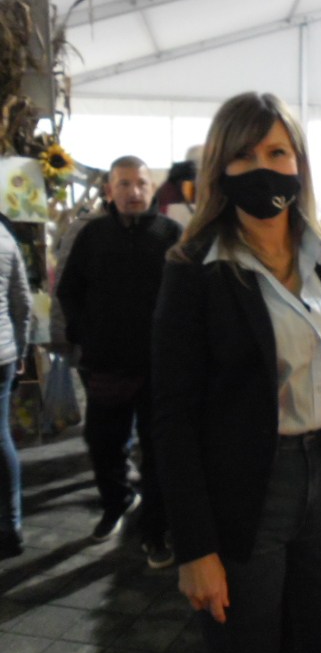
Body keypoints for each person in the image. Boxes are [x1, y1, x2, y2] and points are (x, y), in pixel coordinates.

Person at [151, 92, 321, 653]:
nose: (262, 168)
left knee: (314, 646)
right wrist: (194, 547)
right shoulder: (195, 269)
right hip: (244, 491)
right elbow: (171, 416)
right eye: (243, 156)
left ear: (299, 162)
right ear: (220, 168)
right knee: (247, 649)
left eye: (276, 152)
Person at [57, 156, 181, 568]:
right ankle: (117, 502)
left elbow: (189, 298)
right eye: (124, 184)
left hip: (159, 366)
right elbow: (69, 289)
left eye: (141, 183)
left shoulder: (171, 235)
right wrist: (85, 334)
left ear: (152, 188)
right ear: (110, 191)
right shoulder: (92, 235)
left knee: (159, 452)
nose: (133, 192)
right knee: (103, 443)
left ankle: (155, 529)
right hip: (107, 363)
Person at [0, 220, 31, 559]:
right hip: (2, 354)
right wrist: (20, 350)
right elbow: (22, 303)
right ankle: (11, 526)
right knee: (1, 437)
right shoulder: (5, 236)